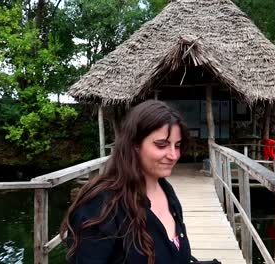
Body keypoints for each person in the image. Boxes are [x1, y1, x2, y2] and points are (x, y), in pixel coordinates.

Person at [60, 100, 191, 264]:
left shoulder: (167, 191)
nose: (173, 155)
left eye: (177, 145)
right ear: (135, 144)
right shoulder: (101, 207)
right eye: (161, 145)